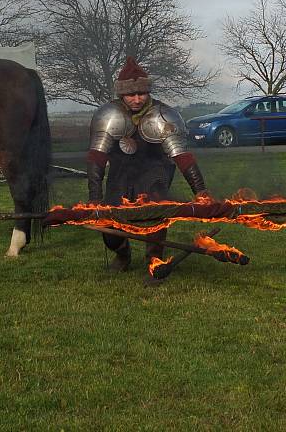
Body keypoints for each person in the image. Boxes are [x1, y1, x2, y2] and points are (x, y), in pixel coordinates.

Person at [86, 56, 207, 285]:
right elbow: (97, 158)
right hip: (120, 172)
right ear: (122, 94)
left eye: (141, 93)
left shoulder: (164, 116)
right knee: (109, 221)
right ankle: (122, 253)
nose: (137, 99)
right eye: (131, 94)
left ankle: (154, 261)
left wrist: (200, 192)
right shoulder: (108, 115)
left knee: (155, 210)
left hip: (155, 169)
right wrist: (94, 197)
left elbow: (182, 157)